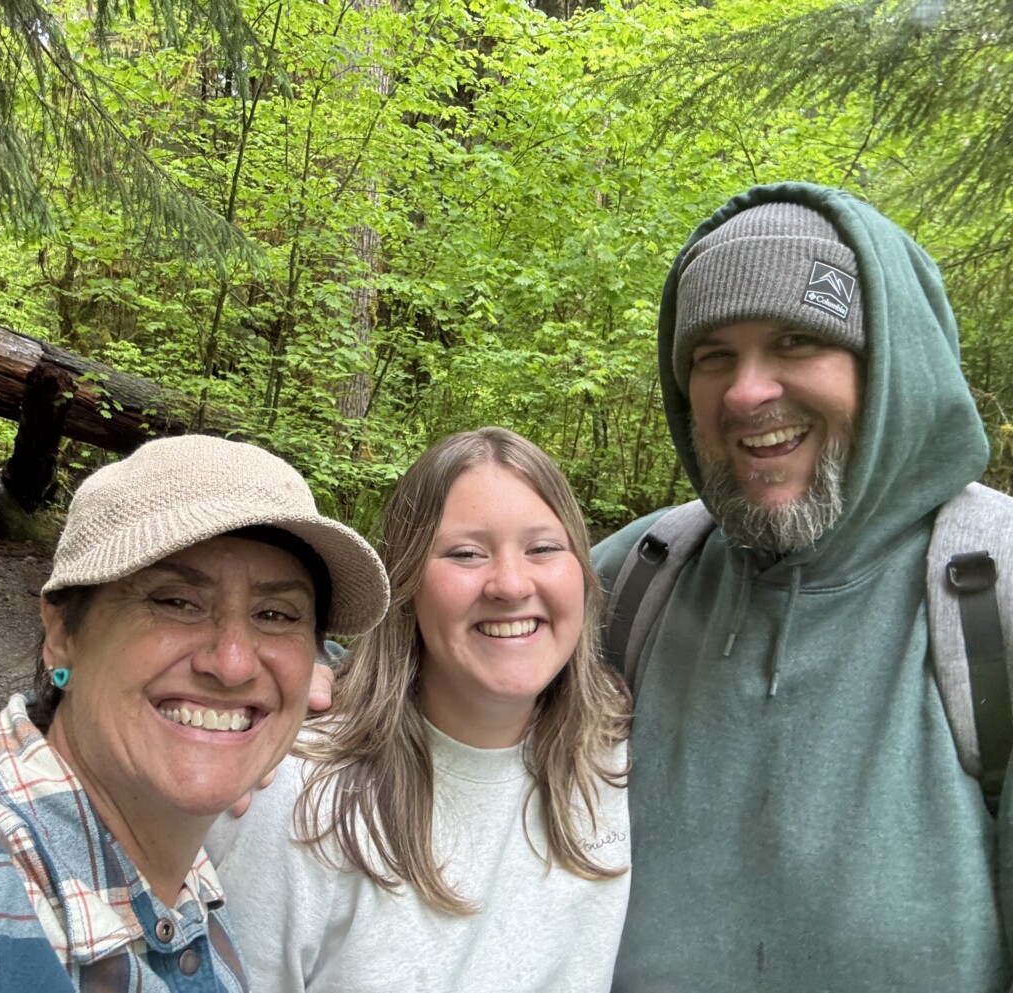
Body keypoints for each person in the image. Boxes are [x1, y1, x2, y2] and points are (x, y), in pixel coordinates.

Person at [591, 182, 1012, 991]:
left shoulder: (990, 592)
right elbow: (430, 691)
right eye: (713, 355)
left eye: (796, 340)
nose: (747, 391)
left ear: (890, 369)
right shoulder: (639, 576)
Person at [207, 426, 632, 992]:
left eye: (543, 549)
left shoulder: (615, 755)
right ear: (404, 584)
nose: (510, 585)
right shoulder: (297, 797)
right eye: (466, 554)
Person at [0, 434, 389, 991]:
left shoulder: (177, 884)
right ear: (61, 634)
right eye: (176, 602)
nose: (232, 664)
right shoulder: (3, 905)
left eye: (276, 614)